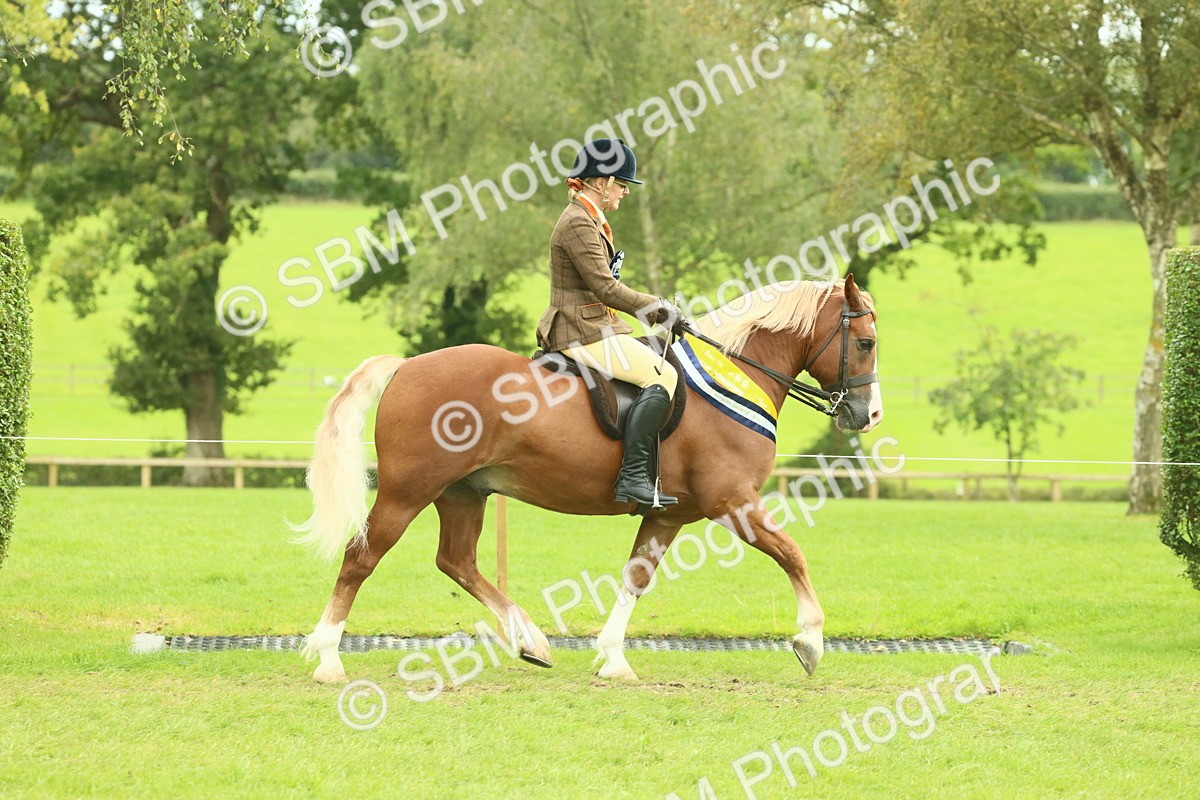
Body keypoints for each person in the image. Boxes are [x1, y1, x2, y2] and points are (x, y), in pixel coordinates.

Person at [535, 138, 681, 509]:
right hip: (579, 329)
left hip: (594, 324)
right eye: (622, 184)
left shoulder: (589, 220)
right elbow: (606, 288)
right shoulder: (577, 223)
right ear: (601, 183)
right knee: (663, 375)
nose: (625, 192)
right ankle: (633, 476)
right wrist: (659, 309)